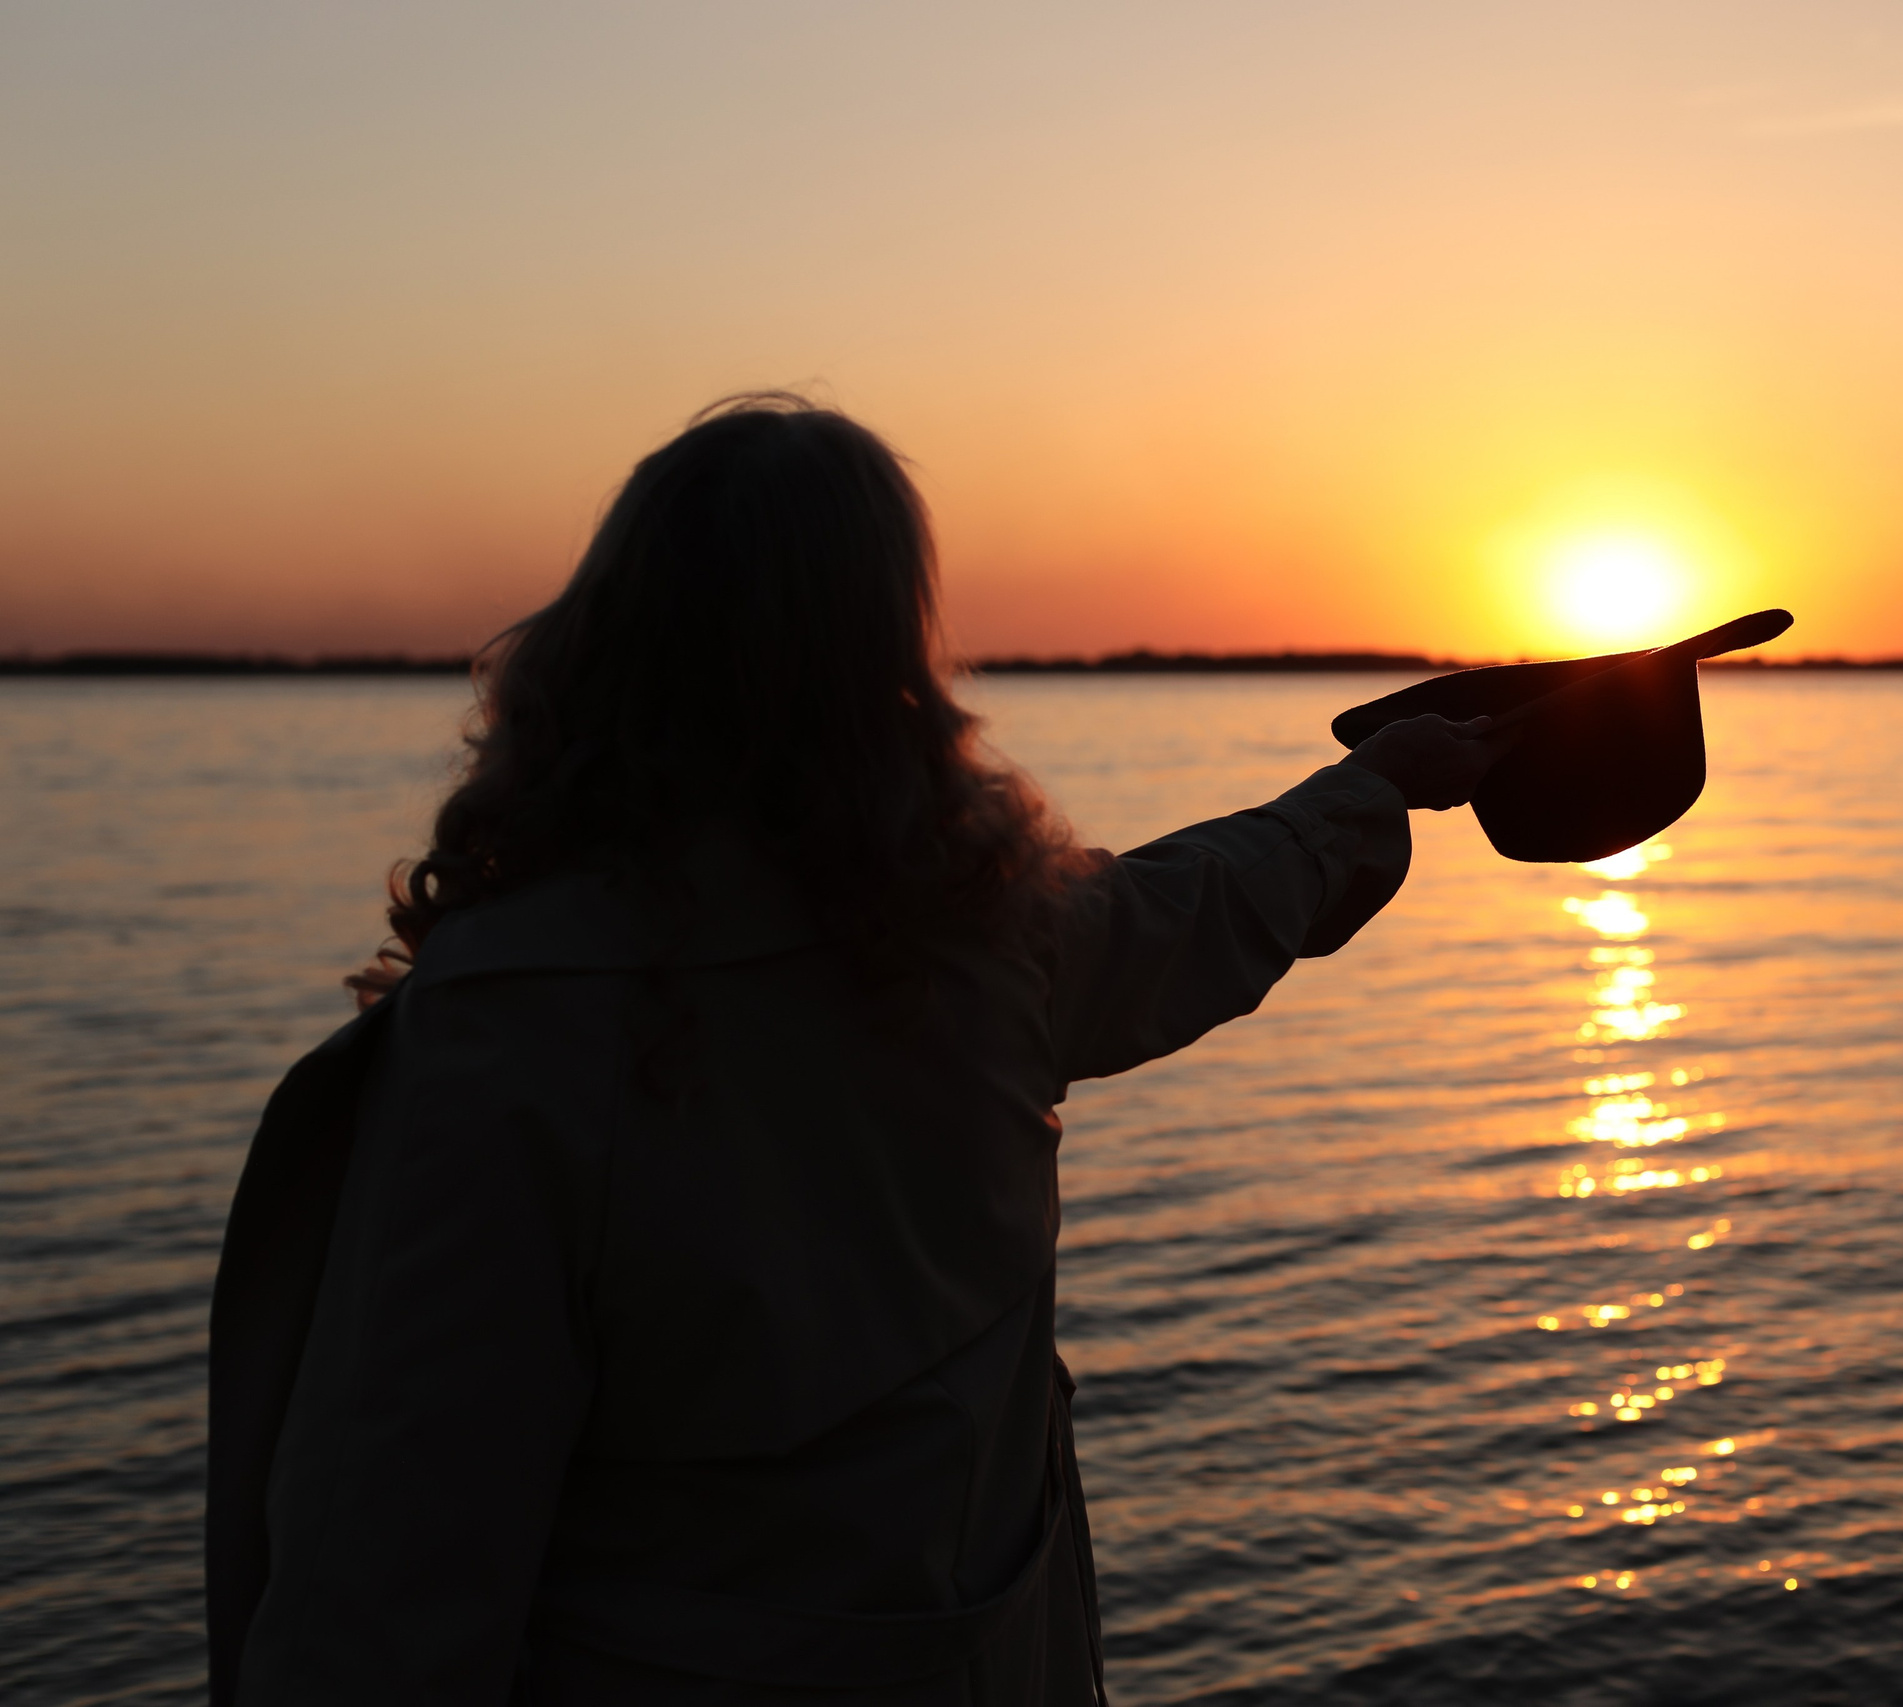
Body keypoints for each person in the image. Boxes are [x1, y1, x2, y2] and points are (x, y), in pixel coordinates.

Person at [204, 396, 1499, 1705]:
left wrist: (1368, 791)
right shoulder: (981, 949)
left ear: (604, 640)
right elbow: (1200, 906)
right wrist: (1368, 793)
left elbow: (380, 1600)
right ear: (890, 658)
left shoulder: (508, 1040)